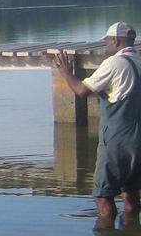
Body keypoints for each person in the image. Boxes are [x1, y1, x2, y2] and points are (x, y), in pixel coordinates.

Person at [54, 21, 141, 218]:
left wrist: (66, 73)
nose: (106, 46)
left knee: (103, 196)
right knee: (132, 194)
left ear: (115, 40)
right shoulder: (139, 61)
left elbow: (82, 90)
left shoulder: (114, 63)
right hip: (139, 139)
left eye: (108, 42)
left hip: (117, 139)